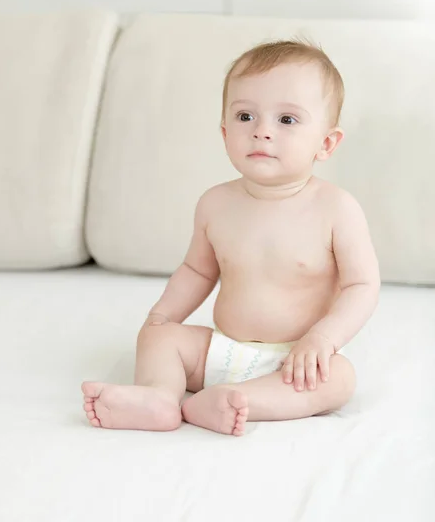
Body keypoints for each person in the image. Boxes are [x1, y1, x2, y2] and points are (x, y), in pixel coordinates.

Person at [82, 40, 380, 436]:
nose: (261, 132)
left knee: (340, 378)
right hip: (221, 349)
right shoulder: (215, 203)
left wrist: (323, 339)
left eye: (287, 120)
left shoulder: (336, 209)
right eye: (245, 116)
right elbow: (196, 271)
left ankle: (239, 402)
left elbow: (362, 285)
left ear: (326, 143)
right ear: (225, 133)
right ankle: (159, 397)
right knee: (159, 341)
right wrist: (163, 316)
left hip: (295, 359)